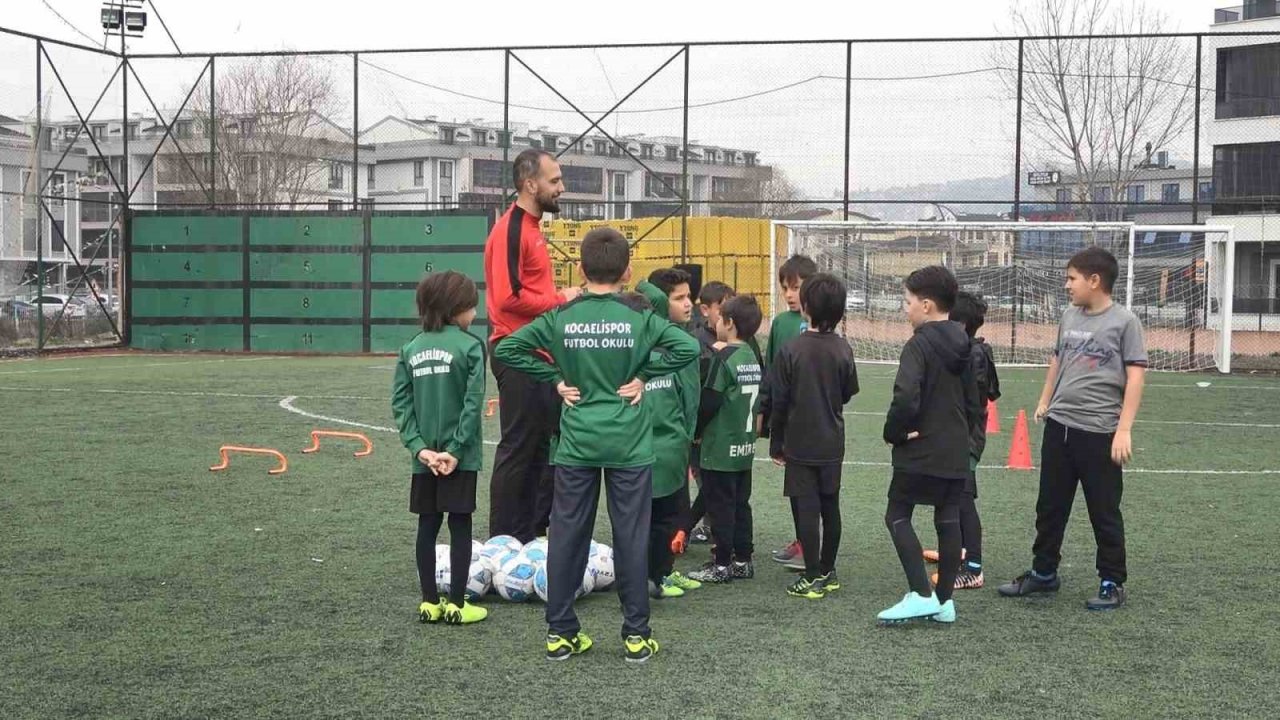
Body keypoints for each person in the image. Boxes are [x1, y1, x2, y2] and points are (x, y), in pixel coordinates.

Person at [494, 228, 699, 664]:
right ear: (627, 272)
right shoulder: (640, 318)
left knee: (568, 534)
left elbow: (509, 349)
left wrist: (556, 380)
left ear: (581, 270)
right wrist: (645, 373)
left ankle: (561, 632)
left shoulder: (560, 317)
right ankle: (635, 636)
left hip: (577, 444)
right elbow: (686, 347)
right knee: (631, 535)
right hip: (629, 444)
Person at [998, 246, 1146, 611]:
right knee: (1049, 506)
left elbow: (1136, 375)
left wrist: (1123, 429)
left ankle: (1112, 581)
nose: (1067, 285)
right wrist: (1045, 399)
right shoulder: (1068, 315)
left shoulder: (1125, 322)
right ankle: (1044, 573)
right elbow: (1057, 359)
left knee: (1104, 510)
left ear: (1095, 281)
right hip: (1059, 427)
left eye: (1072, 278)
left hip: (1099, 433)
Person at [483, 149, 583, 543]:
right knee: (519, 447)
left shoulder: (532, 229)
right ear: (530, 184)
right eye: (554, 180)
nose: (562, 187)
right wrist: (563, 299)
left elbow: (530, 293)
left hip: (538, 353)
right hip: (515, 350)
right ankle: (503, 541)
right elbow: (508, 299)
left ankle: (528, 534)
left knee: (538, 449)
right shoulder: (510, 229)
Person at [877, 266, 981, 625]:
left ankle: (921, 593)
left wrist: (894, 432)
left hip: (921, 447)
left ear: (925, 305)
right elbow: (975, 401)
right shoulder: (966, 343)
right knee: (948, 518)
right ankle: (945, 601)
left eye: (906, 302)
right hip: (955, 448)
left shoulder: (918, 344)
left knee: (897, 515)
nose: (904, 309)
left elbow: (906, 396)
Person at [391, 271, 488, 626]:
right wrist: (457, 449)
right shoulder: (471, 346)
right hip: (458, 458)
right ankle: (458, 605)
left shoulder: (410, 348)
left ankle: (429, 602)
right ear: (456, 308)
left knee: (427, 526)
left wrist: (420, 449)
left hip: (426, 460)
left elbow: (401, 405)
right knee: (460, 524)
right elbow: (472, 403)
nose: (475, 314)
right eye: (472, 306)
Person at [769, 273, 859, 600]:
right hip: (832, 442)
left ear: (805, 306)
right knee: (830, 506)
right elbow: (848, 392)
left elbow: (779, 401)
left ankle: (810, 577)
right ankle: (828, 571)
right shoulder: (843, 348)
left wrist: (776, 443)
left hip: (800, 442)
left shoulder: (791, 349)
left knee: (806, 510)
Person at [623, 285, 701, 598]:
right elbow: (689, 402)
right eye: (679, 297)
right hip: (669, 451)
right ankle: (656, 576)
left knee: (632, 518)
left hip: (630, 452)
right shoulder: (672, 354)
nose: (687, 303)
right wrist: (687, 438)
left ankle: (635, 578)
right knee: (665, 518)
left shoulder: (623, 358)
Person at [925, 291, 1001, 590]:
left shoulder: (972, 356)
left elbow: (975, 399)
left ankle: (973, 568)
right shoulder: (968, 351)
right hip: (955, 436)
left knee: (962, 499)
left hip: (964, 439)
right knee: (950, 496)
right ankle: (955, 553)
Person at [687, 294, 764, 585]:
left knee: (720, 506)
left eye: (720, 318)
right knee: (741, 504)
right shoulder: (751, 357)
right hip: (743, 446)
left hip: (719, 447)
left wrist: (695, 432)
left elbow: (711, 400)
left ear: (729, 324)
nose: (716, 323)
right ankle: (743, 560)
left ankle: (720, 564)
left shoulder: (723, 358)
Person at [765, 254, 818, 571]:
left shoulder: (821, 322)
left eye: (795, 287)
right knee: (795, 487)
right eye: (785, 287)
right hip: (788, 420)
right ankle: (802, 540)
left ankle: (812, 546)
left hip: (814, 420)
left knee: (816, 488)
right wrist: (769, 416)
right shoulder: (780, 323)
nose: (789, 293)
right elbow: (771, 370)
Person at [686, 280, 738, 545]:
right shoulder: (694, 341)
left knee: (717, 482)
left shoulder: (740, 342)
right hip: (699, 424)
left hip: (725, 426)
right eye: (723, 307)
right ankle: (695, 526)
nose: (728, 313)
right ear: (706, 310)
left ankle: (709, 527)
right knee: (701, 476)